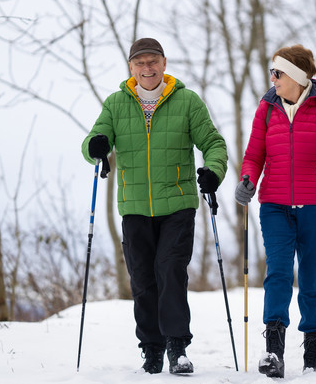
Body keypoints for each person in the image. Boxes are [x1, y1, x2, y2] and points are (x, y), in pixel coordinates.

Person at [81, 37, 227, 375]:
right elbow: (92, 142)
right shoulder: (116, 104)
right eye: (140, 63)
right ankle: (151, 348)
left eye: (153, 62)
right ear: (131, 68)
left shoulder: (187, 101)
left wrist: (213, 171)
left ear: (163, 63)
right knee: (143, 279)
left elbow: (213, 143)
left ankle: (177, 347)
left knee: (170, 271)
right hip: (134, 207)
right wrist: (96, 145)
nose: (147, 69)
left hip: (178, 203)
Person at [235, 44, 316, 378]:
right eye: (272, 72)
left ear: (298, 77)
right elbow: (254, 155)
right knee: (279, 274)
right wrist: (247, 179)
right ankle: (273, 351)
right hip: (275, 206)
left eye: (278, 73)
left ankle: (313, 353)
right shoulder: (267, 108)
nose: (272, 79)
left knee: (312, 281)